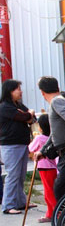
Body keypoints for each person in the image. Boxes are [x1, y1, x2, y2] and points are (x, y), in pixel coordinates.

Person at [0, 79, 36, 214]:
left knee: (21, 175)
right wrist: (28, 114)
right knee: (12, 175)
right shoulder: (5, 106)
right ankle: (8, 205)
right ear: (10, 91)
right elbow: (26, 116)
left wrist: (28, 115)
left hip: (22, 143)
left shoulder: (18, 104)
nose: (20, 91)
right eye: (18, 89)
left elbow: (31, 118)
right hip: (10, 145)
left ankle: (20, 202)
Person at [28, 113, 57, 223]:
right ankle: (50, 214)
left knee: (48, 192)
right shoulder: (52, 137)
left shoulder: (39, 138)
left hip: (44, 168)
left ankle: (57, 212)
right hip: (52, 167)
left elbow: (31, 148)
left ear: (40, 127)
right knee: (49, 191)